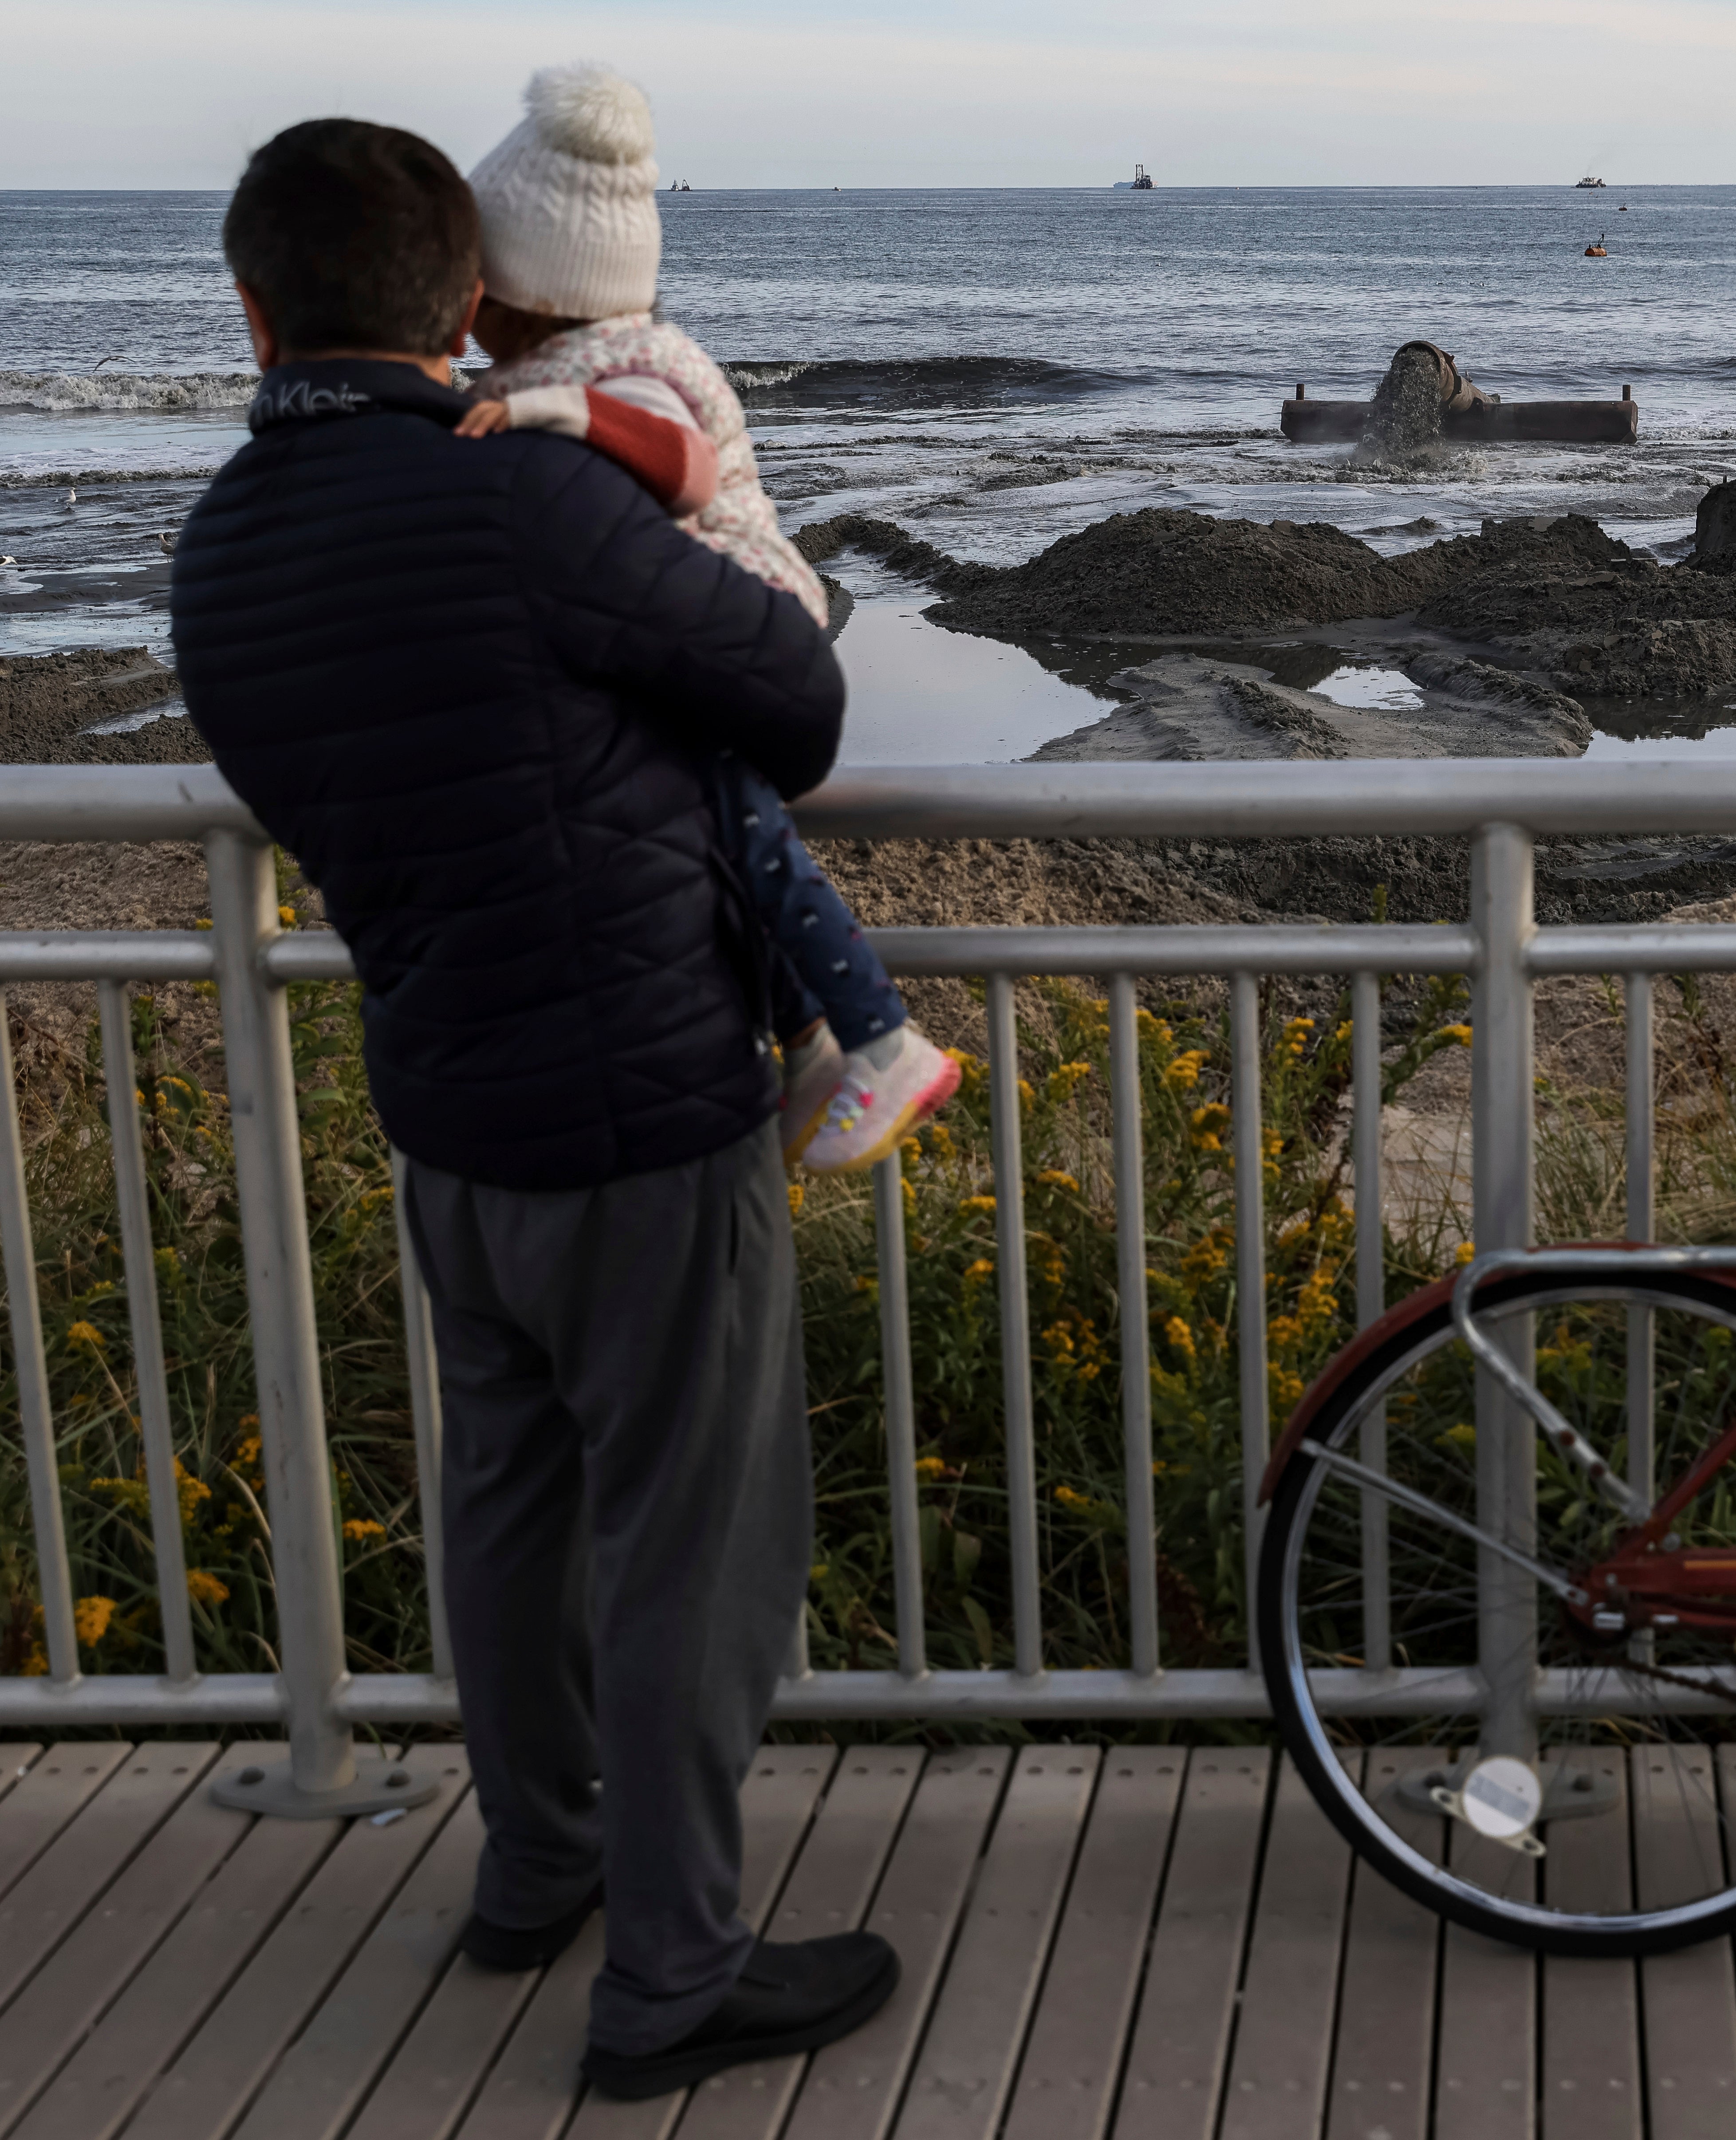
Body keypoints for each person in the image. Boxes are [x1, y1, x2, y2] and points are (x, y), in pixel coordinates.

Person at [167, 118, 896, 2101]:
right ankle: (671, 1976)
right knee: (689, 1545)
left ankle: (538, 1867)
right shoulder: (529, 506)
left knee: (507, 1513)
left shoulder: (220, 550)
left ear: (252, 309)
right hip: (645, 1104)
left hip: (444, 1100)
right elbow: (799, 703)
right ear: (467, 301)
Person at [448, 62, 956, 1176]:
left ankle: (880, 1036)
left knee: (747, 831)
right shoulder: (606, 354)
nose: (464, 302)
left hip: (746, 611)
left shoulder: (620, 371)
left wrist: (545, 409)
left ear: (533, 290)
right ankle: (812, 1037)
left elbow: (676, 468)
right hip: (715, 618)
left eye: (477, 280)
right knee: (715, 823)